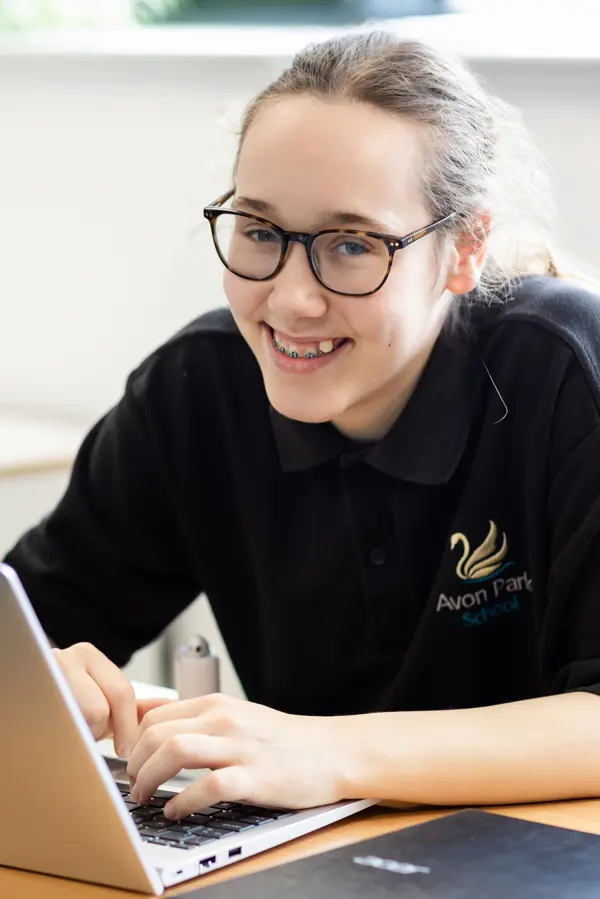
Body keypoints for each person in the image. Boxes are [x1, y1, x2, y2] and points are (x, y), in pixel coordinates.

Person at [6, 31, 600, 821]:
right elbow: (32, 629)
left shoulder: (563, 368)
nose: (290, 300)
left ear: (464, 250)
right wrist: (44, 674)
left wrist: (326, 750)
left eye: (352, 245)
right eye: (259, 232)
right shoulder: (198, 387)